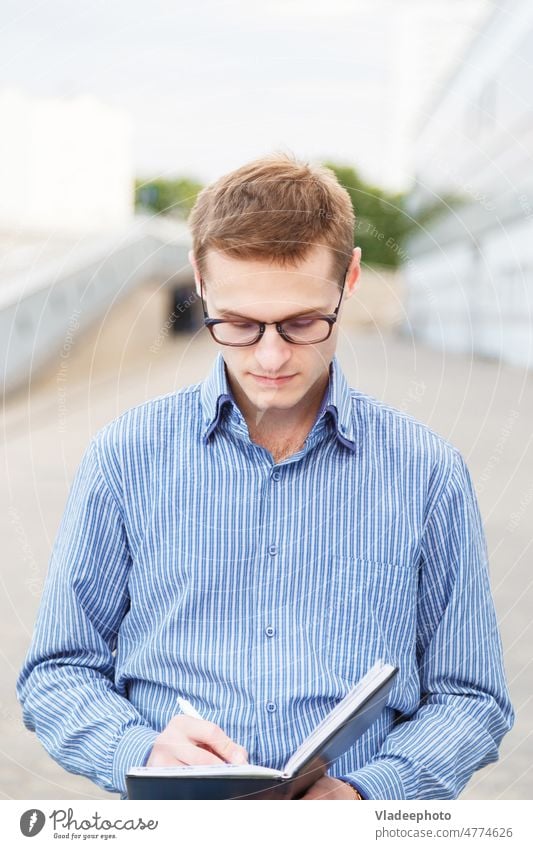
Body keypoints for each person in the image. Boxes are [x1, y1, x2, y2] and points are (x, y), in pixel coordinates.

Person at [17, 153, 514, 800]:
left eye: (304, 322)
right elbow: (59, 669)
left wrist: (370, 793)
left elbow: (470, 696)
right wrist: (139, 750)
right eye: (240, 324)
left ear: (351, 278)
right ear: (199, 280)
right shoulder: (123, 457)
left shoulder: (428, 473)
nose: (272, 356)